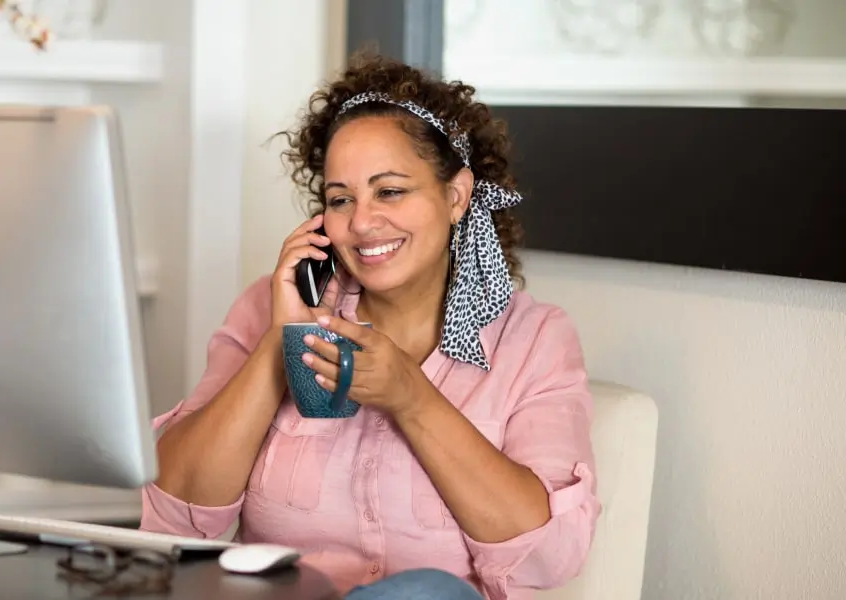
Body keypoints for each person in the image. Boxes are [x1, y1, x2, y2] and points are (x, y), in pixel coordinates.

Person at [140, 53, 600, 600]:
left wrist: (411, 397)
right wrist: (281, 345)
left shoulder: (534, 341)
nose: (360, 222)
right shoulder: (269, 309)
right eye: (340, 199)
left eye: (390, 191)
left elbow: (546, 558)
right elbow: (170, 521)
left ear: (456, 196)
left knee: (428, 592)